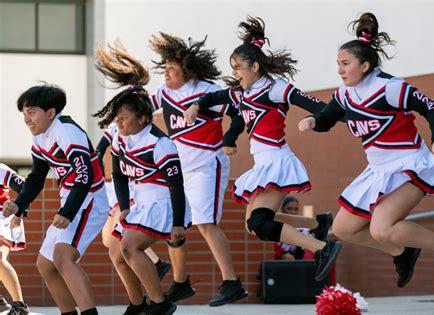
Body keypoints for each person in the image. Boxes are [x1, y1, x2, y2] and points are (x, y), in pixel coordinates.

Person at [298, 12, 434, 287]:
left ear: (364, 65)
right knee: (343, 229)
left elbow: (431, 107)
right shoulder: (344, 93)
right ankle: (402, 250)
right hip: (378, 169)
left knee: (381, 227)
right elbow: (327, 118)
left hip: (411, 163)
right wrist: (312, 121)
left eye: (345, 64)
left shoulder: (389, 88)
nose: (340, 70)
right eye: (338, 64)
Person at [184, 16, 340, 281]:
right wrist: (196, 105)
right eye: (232, 68)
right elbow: (213, 96)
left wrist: (335, 117)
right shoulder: (241, 93)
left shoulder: (275, 88)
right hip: (263, 164)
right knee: (253, 226)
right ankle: (318, 223)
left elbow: (316, 105)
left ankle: (323, 248)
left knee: (260, 222)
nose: (234, 73)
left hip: (277, 162)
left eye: (238, 68)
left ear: (255, 66)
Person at [93, 41, 192, 315]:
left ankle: (160, 304)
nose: (119, 124)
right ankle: (137, 305)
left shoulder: (160, 143)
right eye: (117, 119)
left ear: (143, 117)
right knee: (116, 252)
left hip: (163, 204)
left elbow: (176, 185)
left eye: (123, 118)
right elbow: (118, 174)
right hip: (138, 203)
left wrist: (178, 222)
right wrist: (124, 206)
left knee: (130, 246)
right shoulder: (122, 139)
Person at [149, 32, 247, 306]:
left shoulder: (207, 90)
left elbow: (237, 114)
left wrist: (230, 139)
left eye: (171, 69)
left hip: (207, 164)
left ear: (187, 70)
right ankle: (181, 283)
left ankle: (232, 283)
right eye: (164, 68)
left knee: (205, 223)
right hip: (180, 170)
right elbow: (142, 110)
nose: (166, 73)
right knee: (173, 224)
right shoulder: (164, 93)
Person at [3, 84, 109, 315]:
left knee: (63, 257)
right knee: (45, 264)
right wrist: (19, 203)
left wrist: (67, 212)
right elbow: (36, 178)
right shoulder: (40, 137)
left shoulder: (67, 131)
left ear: (51, 113)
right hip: (72, 201)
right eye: (24, 113)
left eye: (31, 112)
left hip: (89, 200)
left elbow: (85, 175)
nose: (26, 119)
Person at [95, 122, 172, 315]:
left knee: (123, 247)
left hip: (138, 190)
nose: (121, 119)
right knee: (113, 249)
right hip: (114, 185)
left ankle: (156, 298)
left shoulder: (150, 137)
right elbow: (98, 150)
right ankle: (138, 303)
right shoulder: (115, 131)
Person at [0, 164, 29, 314]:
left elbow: (25, 187)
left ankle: (20, 307)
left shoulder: (0, 170)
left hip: (4, 218)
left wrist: (19, 208)